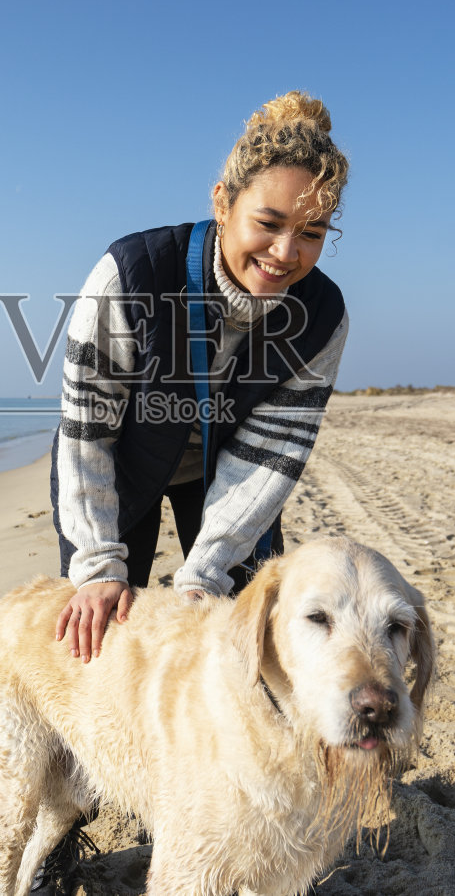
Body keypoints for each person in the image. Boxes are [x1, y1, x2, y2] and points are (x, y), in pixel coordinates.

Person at [50, 91, 351, 663]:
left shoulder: (323, 316)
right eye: (269, 223)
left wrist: (205, 574)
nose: (286, 253)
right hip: (119, 462)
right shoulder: (131, 274)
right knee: (105, 632)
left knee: (243, 634)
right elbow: (87, 431)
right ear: (222, 202)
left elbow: (270, 453)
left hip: (226, 473)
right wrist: (96, 565)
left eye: (313, 233)